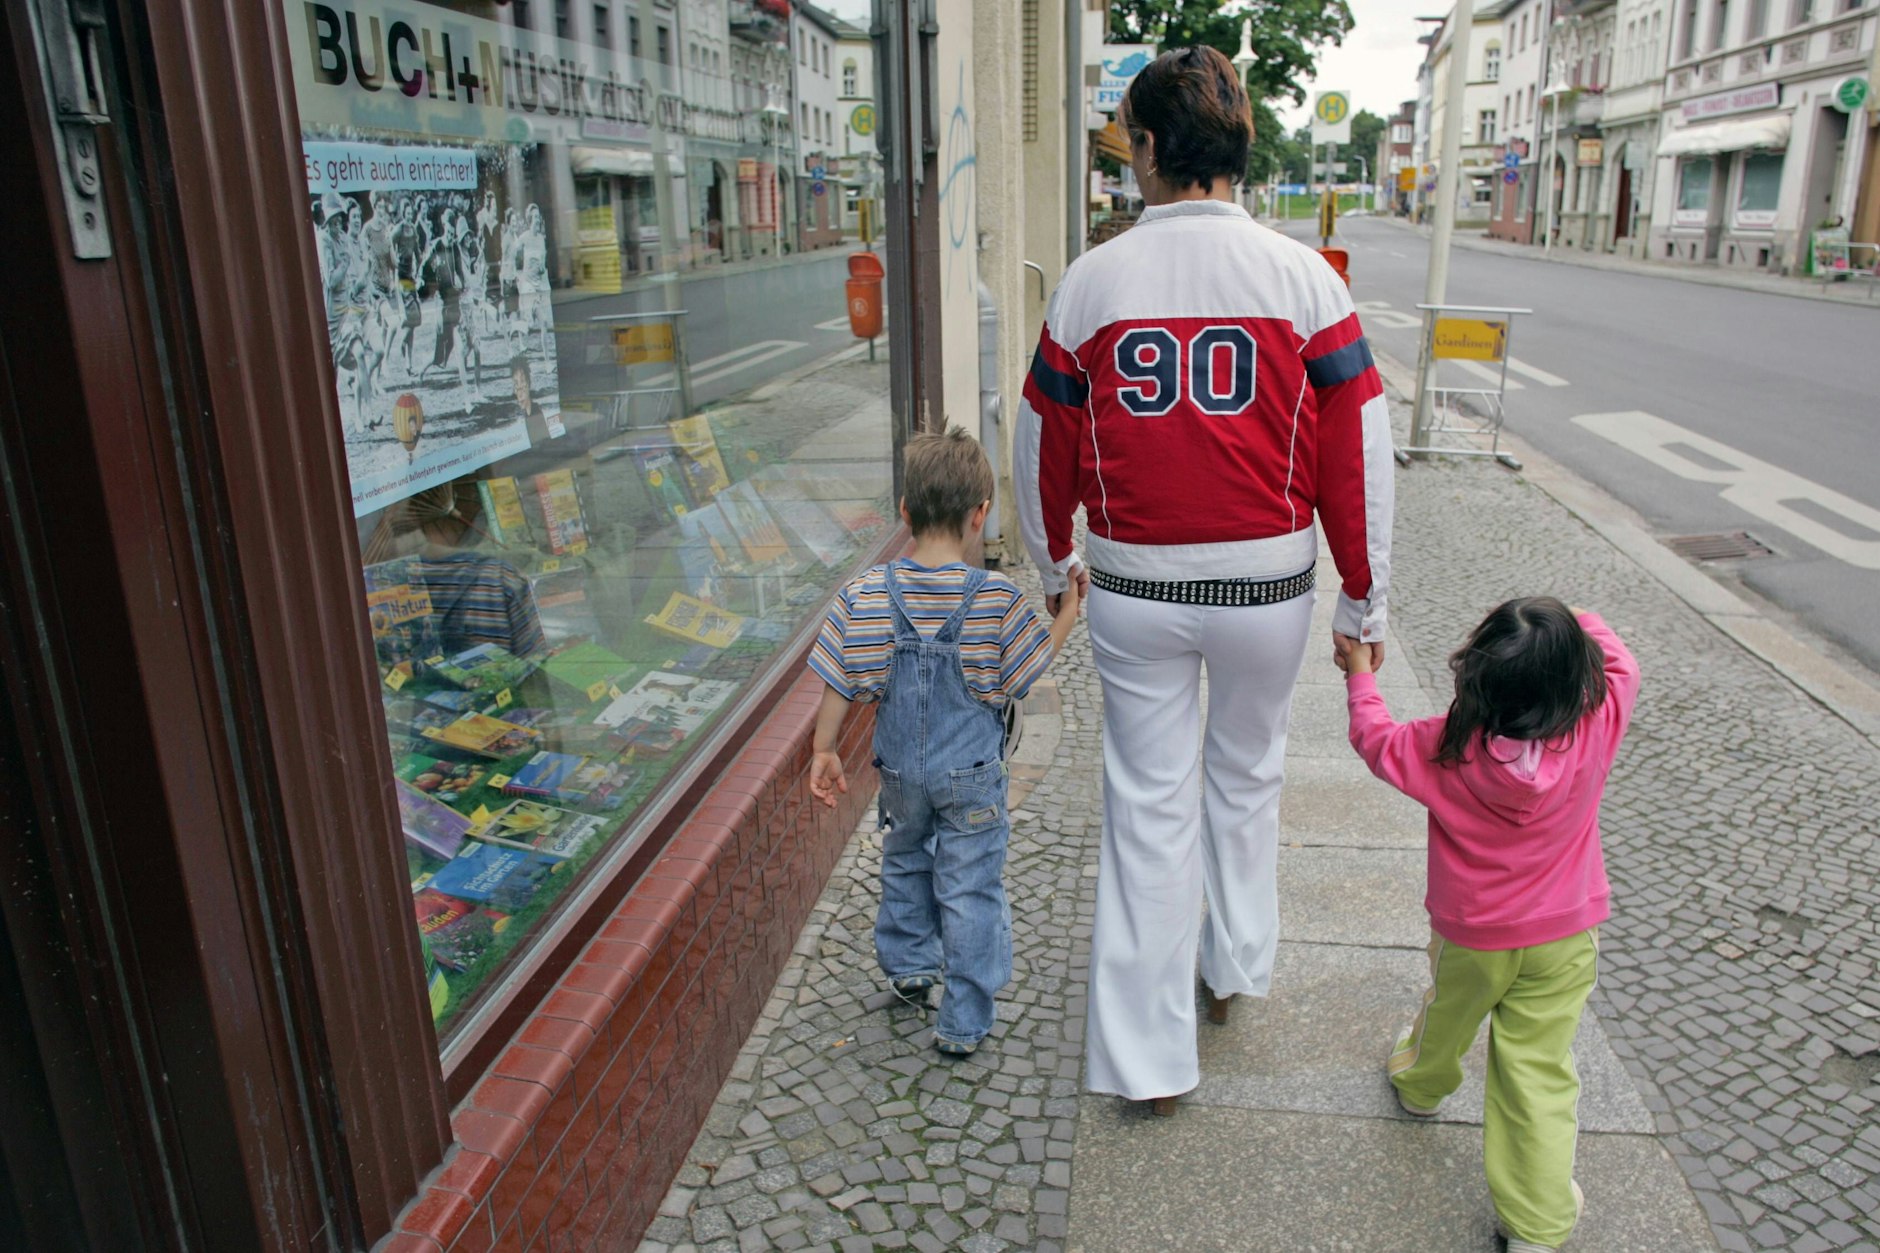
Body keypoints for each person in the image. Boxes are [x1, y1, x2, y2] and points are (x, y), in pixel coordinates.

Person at [1012, 45, 1394, 1114]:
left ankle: (1143, 1053)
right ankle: (1233, 963)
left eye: (1124, 138)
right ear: (1234, 146)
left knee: (1146, 802)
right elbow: (1356, 454)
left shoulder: (1092, 280)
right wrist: (1361, 600)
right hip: (1266, 583)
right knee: (1246, 774)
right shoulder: (1303, 279)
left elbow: (1039, 441)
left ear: (1145, 147)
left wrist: (1056, 565)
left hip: (1134, 582)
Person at [1343, 598, 1639, 1253]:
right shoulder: (1600, 718)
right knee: (1537, 1070)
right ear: (1576, 678)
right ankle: (1536, 1222)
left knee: (1448, 1011)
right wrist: (1570, 618)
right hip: (1565, 934)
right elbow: (1621, 659)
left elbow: (1373, 738)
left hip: (1472, 932)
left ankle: (1421, 1084)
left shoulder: (1446, 743)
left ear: (1477, 676)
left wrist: (1359, 673)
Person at [808, 430, 1082, 1057]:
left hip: (901, 772)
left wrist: (824, 751)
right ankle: (963, 1018)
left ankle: (909, 966)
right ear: (979, 515)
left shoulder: (867, 594)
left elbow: (840, 678)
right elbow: (1025, 674)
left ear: (905, 512)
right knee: (970, 886)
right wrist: (1067, 613)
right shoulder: (995, 600)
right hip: (973, 777)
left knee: (904, 860)